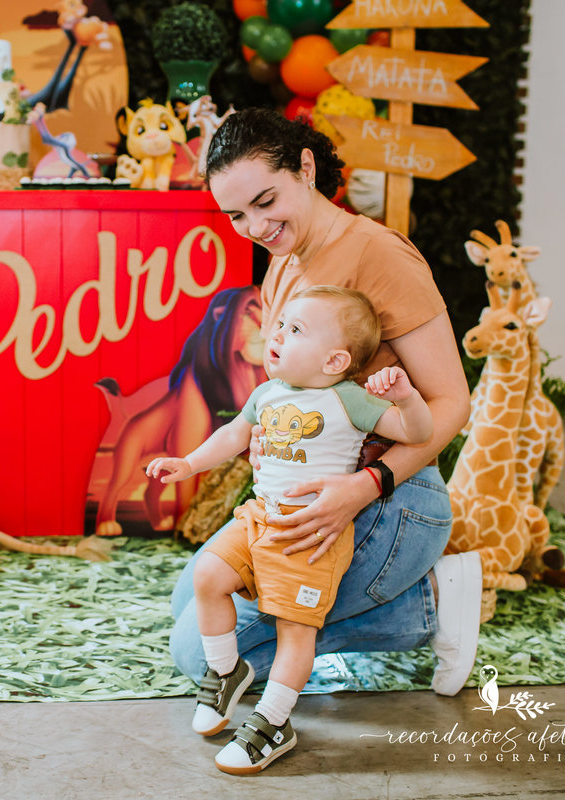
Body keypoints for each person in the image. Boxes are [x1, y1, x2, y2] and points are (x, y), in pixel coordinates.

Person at [168, 108, 481, 764]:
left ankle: (428, 606)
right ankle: (376, 604)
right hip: (308, 502)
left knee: (195, 649)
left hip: (389, 498)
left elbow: (452, 401)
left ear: (305, 169)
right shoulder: (282, 263)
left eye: (266, 201)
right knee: (192, 593)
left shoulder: (378, 254)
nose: (256, 228)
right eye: (236, 217)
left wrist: (363, 486)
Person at [149, 286, 434, 774]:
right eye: (279, 323)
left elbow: (419, 433)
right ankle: (226, 670)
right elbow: (233, 434)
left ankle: (274, 722)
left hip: (308, 536)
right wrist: (189, 463)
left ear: (334, 360)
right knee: (208, 579)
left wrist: (406, 398)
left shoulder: (351, 400)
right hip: (259, 517)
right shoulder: (267, 394)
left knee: (294, 632)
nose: (275, 333)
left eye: (295, 329)